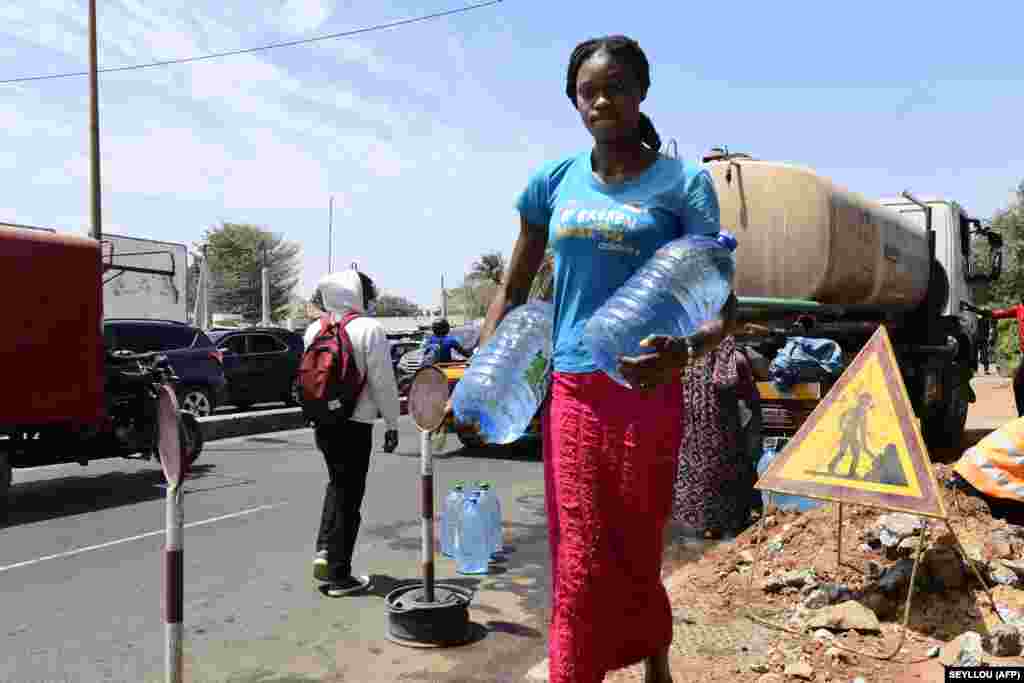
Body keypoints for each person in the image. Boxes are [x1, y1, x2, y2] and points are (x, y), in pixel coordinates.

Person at [472, 35, 731, 683]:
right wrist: (480, 371)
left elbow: (726, 303)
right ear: (574, 102)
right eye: (589, 91)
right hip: (575, 388)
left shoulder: (685, 183)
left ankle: (655, 657)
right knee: (581, 550)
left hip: (648, 389)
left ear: (642, 93)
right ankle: (576, 670)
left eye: (616, 86)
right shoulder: (553, 182)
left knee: (638, 543)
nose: (602, 100)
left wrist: (687, 350)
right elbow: (515, 284)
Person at [306, 270, 400, 596]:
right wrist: (392, 424)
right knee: (350, 497)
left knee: (336, 485)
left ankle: (325, 550)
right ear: (358, 295)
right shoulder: (369, 329)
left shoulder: (314, 330)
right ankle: (338, 576)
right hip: (356, 424)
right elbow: (383, 384)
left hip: (323, 425)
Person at [670, 305, 763, 541]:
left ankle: (696, 531)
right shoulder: (734, 360)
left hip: (689, 442)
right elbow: (750, 403)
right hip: (724, 441)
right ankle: (727, 531)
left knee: (693, 488)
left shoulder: (682, 360)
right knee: (730, 485)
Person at [990, 301, 1024, 415]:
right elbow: (1000, 314)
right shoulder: (1019, 308)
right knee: (1018, 383)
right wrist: (982, 312)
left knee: (1018, 383)